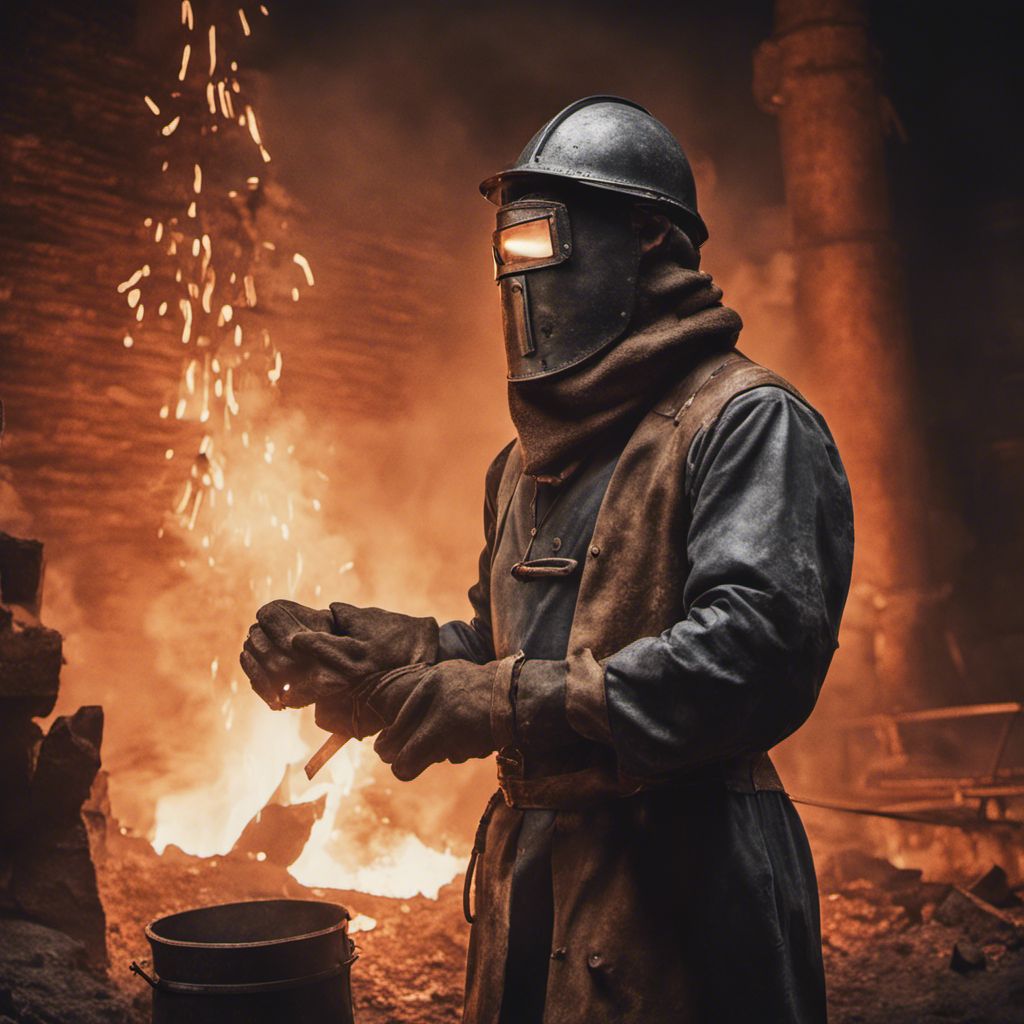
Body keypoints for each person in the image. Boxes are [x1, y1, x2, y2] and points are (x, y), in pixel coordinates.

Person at [240, 95, 854, 1024]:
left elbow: (754, 655)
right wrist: (385, 657)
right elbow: (506, 647)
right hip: (531, 874)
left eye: (542, 244)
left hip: (688, 884)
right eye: (508, 253)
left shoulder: (747, 421)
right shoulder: (523, 467)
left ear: (649, 236)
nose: (520, 277)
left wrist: (502, 700)